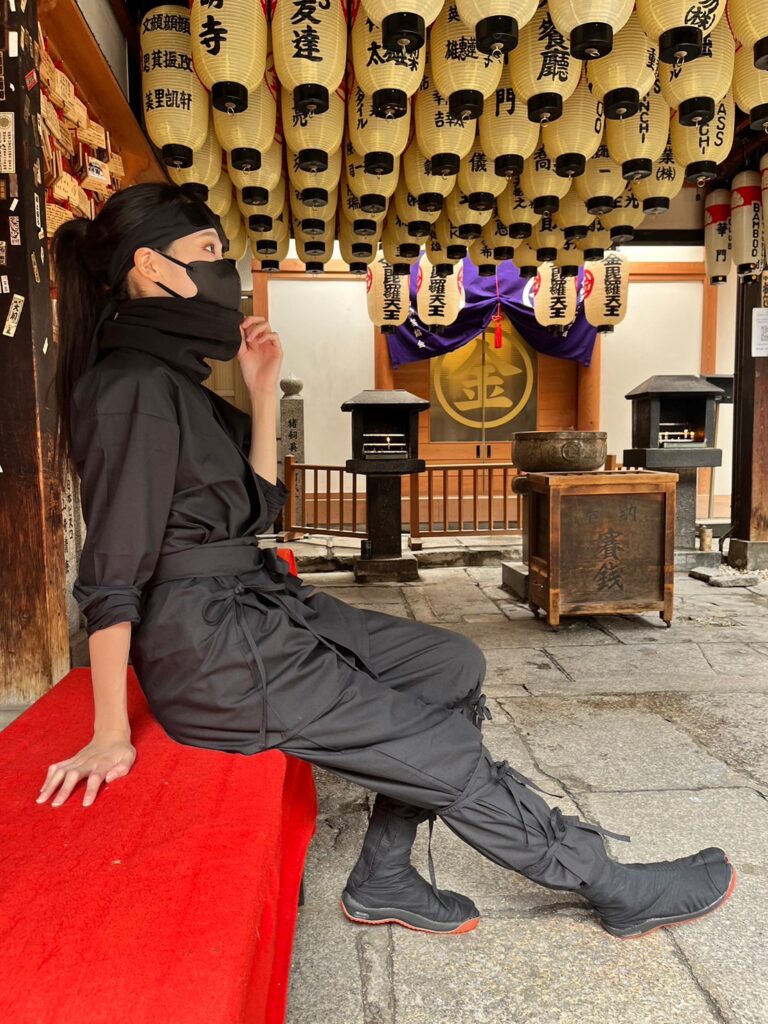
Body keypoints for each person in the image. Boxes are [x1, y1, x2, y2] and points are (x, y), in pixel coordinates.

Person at [39, 181, 736, 940]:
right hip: (215, 655)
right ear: (152, 265)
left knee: (450, 665)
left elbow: (258, 507)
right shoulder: (128, 389)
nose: (224, 268)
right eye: (208, 252)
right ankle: (608, 882)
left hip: (257, 608)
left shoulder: (172, 378)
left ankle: (383, 873)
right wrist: (112, 729)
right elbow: (110, 572)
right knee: (439, 741)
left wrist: (264, 391)